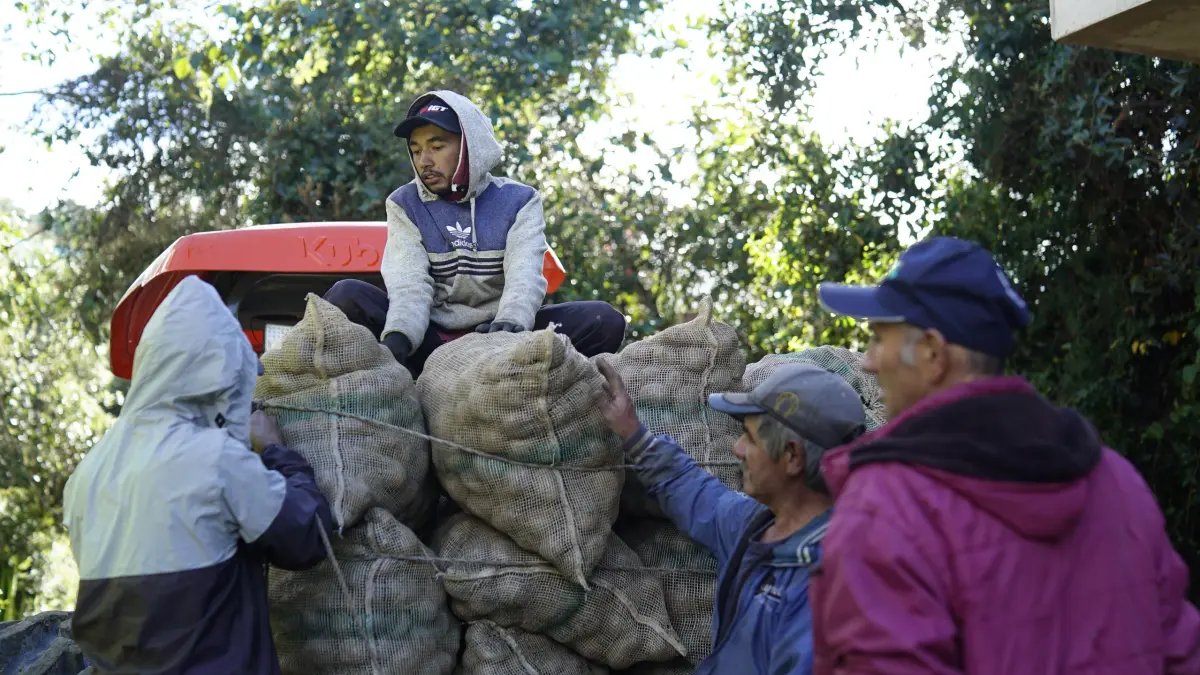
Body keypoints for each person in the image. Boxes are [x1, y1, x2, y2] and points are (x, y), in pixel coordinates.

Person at [810, 236, 1200, 674]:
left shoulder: (884, 509)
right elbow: (1181, 653)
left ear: (933, 354)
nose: (868, 361)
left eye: (879, 338)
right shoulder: (1117, 480)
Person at [63, 276, 334, 674]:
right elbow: (306, 535)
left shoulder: (86, 475)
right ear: (222, 376)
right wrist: (276, 451)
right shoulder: (214, 458)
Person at [324, 89, 626, 375]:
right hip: (431, 343)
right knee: (347, 295)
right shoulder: (404, 204)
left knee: (604, 320)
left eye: (437, 146)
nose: (424, 161)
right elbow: (409, 286)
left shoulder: (519, 200)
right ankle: (404, 379)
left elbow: (525, 276)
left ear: (470, 146)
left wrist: (510, 327)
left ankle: (519, 377)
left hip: (505, 340)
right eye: (416, 151)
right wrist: (397, 341)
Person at [596, 359, 867, 674]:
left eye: (750, 438)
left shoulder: (823, 588)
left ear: (792, 457)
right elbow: (696, 495)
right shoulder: (756, 524)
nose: (738, 449)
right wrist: (632, 432)